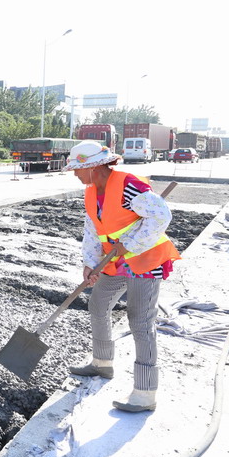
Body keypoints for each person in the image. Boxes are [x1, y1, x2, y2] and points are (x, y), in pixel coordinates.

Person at [64, 141, 181, 412]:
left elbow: (160, 216)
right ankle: (102, 364)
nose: (75, 174)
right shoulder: (91, 193)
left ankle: (145, 394)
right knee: (98, 304)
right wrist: (90, 263)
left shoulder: (128, 186)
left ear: (93, 167)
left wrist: (130, 243)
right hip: (116, 263)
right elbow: (92, 230)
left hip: (145, 260)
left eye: (77, 169)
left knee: (140, 320)